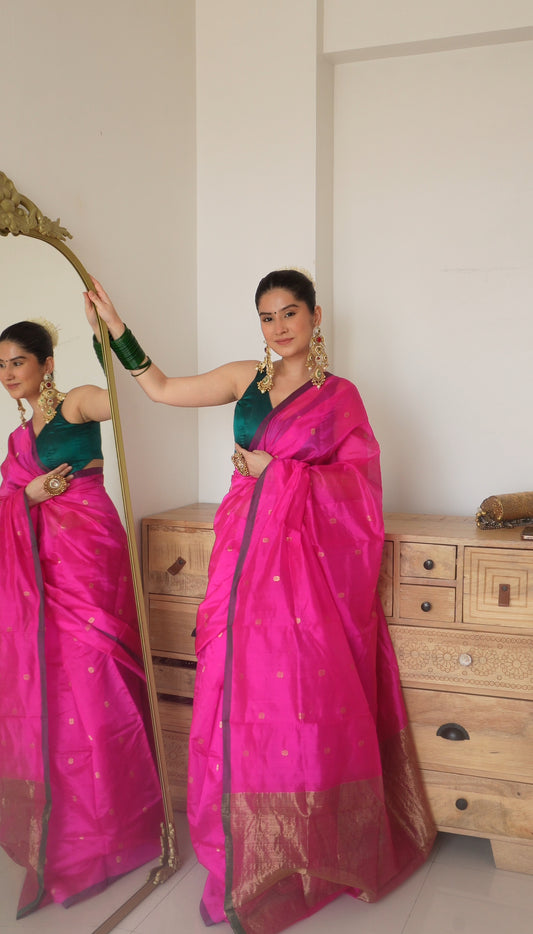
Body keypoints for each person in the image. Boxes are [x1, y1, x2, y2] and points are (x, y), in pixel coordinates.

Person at [85, 270, 436, 934]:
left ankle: (310, 842)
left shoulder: (339, 397)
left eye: (289, 314)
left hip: (302, 570)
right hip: (240, 555)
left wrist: (279, 474)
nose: (278, 329)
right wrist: (116, 328)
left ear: (315, 317)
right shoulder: (246, 377)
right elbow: (159, 388)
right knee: (233, 688)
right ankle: (246, 846)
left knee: (299, 695)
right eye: (267, 318)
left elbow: (357, 490)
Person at [0, 320, 164, 918]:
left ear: (46, 363)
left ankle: (123, 827)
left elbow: (115, 400)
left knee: (101, 689)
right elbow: (9, 500)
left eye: (19, 362)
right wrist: (28, 498)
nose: (9, 374)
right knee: (63, 696)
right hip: (44, 573)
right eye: (2, 366)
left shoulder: (74, 405)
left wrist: (108, 340)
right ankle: (75, 835)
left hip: (89, 561)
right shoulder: (19, 444)